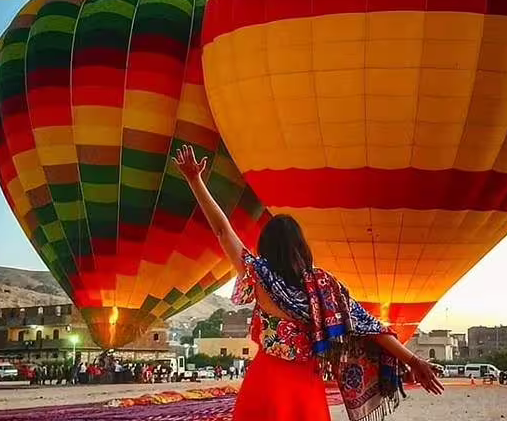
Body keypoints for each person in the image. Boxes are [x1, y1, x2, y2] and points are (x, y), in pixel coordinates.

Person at [173, 145, 443, 421]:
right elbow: (371, 327)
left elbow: (222, 230)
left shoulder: (259, 276)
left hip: (266, 381)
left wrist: (195, 181)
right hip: (306, 385)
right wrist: (413, 360)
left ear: (265, 247)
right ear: (302, 248)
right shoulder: (325, 289)